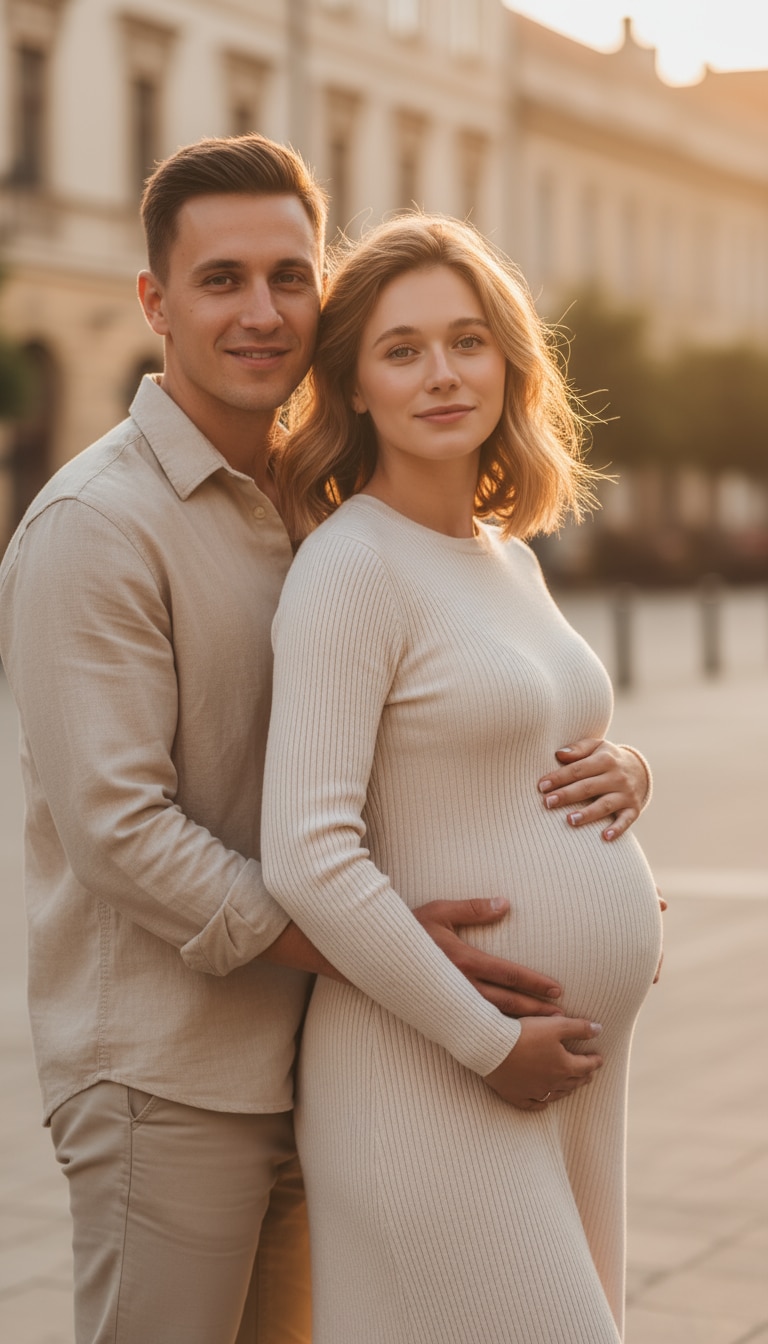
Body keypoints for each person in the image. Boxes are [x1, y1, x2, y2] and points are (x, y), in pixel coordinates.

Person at [0, 136, 652, 1344]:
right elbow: (120, 831)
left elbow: (426, 732)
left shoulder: (307, 513)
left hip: (324, 1052)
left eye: (289, 276)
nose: (262, 312)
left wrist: (619, 785)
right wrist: (381, 955)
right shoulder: (96, 526)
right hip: (173, 1070)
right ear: (155, 300)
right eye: (222, 279)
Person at [261, 214, 664, 1343]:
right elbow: (306, 851)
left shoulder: (507, 557)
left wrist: (629, 774)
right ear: (353, 386)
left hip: (566, 1072)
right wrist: (488, 1043)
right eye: (402, 350)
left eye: (468, 340)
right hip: (430, 1074)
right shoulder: (351, 567)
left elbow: (529, 735)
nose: (443, 373)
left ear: (510, 361)